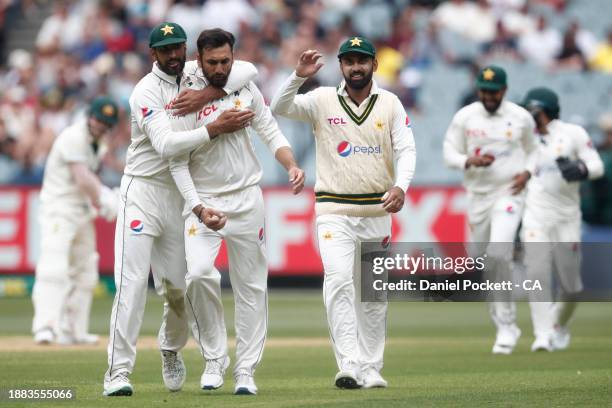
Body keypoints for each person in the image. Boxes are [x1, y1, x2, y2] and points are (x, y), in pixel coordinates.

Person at [103, 22, 258, 397]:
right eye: (166, 50)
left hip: (181, 196)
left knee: (177, 290)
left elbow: (248, 70)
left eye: (179, 48)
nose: (174, 55)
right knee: (131, 284)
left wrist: (207, 92)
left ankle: (170, 350)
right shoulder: (144, 92)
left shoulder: (192, 71)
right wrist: (214, 127)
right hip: (142, 191)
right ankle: (117, 374)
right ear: (152, 54)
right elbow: (167, 146)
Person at [271, 37, 416, 389]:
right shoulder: (321, 100)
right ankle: (349, 363)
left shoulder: (390, 103)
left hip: (376, 212)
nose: (355, 67)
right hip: (334, 211)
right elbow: (278, 107)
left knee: (372, 294)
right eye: (349, 61)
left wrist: (401, 186)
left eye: (361, 61)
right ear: (341, 65)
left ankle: (371, 367)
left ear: (373, 65)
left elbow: (407, 149)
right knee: (338, 280)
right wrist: (297, 76)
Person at [169, 28, 305, 395]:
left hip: (248, 199)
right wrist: (196, 206)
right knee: (198, 275)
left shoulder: (243, 83)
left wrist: (291, 164)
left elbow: (271, 131)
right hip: (205, 201)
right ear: (199, 59)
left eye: (226, 61)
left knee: (251, 289)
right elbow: (176, 161)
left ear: (233, 57)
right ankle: (214, 359)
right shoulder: (184, 96)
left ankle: (246, 370)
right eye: (212, 62)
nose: (220, 68)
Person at [443, 65, 537, 354]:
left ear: (504, 90)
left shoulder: (520, 117)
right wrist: (468, 161)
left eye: (494, 91)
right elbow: (449, 152)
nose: (489, 96)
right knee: (485, 258)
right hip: (478, 197)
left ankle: (507, 327)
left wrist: (528, 172)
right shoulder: (466, 116)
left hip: (509, 193)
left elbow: (534, 150)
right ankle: (501, 320)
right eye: (484, 91)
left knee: (499, 252)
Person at [32, 96, 120, 346]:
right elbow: (82, 177)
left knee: (86, 271)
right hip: (58, 208)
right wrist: (104, 198)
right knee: (54, 266)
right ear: (89, 116)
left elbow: (91, 175)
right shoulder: (73, 137)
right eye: (98, 119)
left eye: (106, 122)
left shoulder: (98, 142)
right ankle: (46, 327)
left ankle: (73, 330)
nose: (101, 125)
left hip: (80, 210)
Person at [520, 87, 603, 351]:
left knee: (571, 287)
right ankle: (542, 335)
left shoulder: (572, 134)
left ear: (548, 111)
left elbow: (597, 166)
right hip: (535, 217)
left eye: (536, 111)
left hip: (567, 218)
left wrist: (580, 169)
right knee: (537, 272)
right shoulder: (522, 139)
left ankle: (557, 324)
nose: (531, 117)